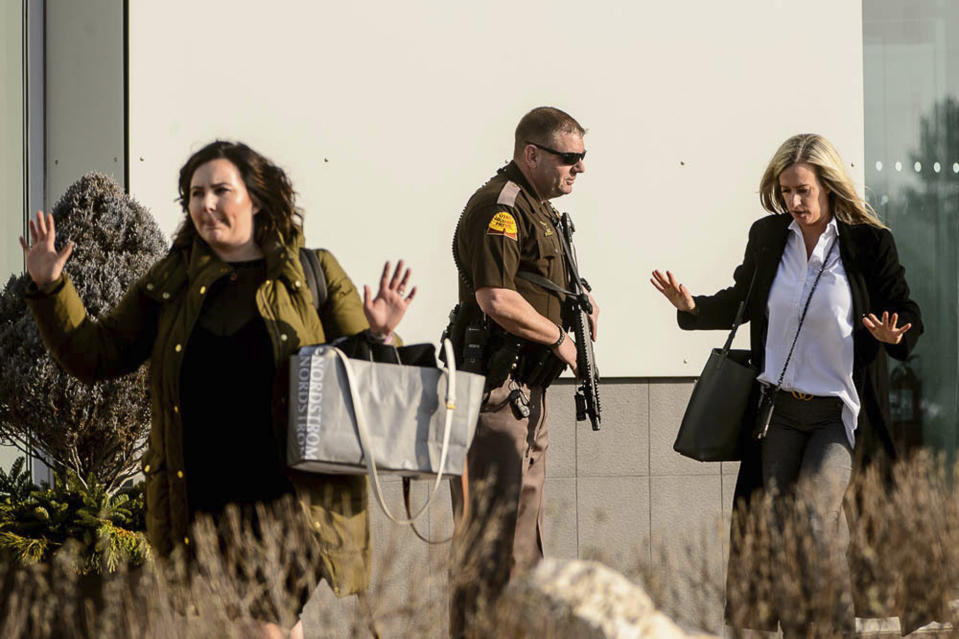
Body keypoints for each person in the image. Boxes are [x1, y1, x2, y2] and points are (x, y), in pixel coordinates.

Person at [19, 140, 417, 639]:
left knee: (261, 627)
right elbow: (96, 354)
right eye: (194, 193)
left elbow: (369, 385)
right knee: (263, 628)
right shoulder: (170, 283)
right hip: (200, 498)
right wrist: (52, 288)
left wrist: (379, 334)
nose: (206, 204)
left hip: (288, 500)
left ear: (255, 195)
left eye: (220, 190)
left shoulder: (312, 273)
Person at [651, 133, 922, 636]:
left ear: (828, 185)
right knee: (774, 537)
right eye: (786, 192)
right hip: (776, 413)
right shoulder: (769, 236)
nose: (794, 203)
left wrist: (894, 333)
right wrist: (692, 309)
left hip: (836, 415)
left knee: (815, 525)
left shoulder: (867, 242)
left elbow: (905, 310)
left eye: (803, 190)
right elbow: (744, 298)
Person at [447, 106, 598, 637]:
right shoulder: (502, 206)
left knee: (522, 543)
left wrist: (578, 305)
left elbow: (535, 285)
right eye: (569, 158)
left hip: (527, 392)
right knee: (489, 545)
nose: (578, 168)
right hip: (495, 392)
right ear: (531, 154)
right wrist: (559, 337)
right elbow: (494, 297)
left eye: (583, 158)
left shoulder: (542, 210)